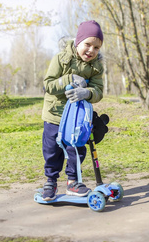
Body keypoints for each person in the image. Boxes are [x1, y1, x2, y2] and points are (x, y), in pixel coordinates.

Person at [41, 20, 104, 201]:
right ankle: (50, 181)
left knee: (76, 149)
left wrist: (87, 92)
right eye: (88, 44)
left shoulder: (96, 67)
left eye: (96, 47)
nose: (91, 50)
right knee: (52, 150)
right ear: (78, 41)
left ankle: (73, 182)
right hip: (55, 115)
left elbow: (98, 91)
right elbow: (48, 85)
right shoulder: (61, 59)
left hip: (76, 118)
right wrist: (68, 79)